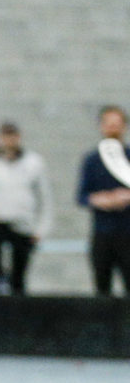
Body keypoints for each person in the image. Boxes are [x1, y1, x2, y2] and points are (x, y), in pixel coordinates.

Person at [0, 120, 54, 296]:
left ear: (18, 137)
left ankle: (16, 305)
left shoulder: (34, 163)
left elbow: (45, 199)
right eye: (5, 136)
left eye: (12, 136)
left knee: (19, 275)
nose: (9, 141)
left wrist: (41, 229)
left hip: (23, 224)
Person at [76, 105, 130, 296]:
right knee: (102, 288)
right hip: (102, 233)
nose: (113, 129)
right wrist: (101, 199)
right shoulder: (92, 160)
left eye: (117, 124)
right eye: (109, 124)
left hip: (127, 232)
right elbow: (82, 196)